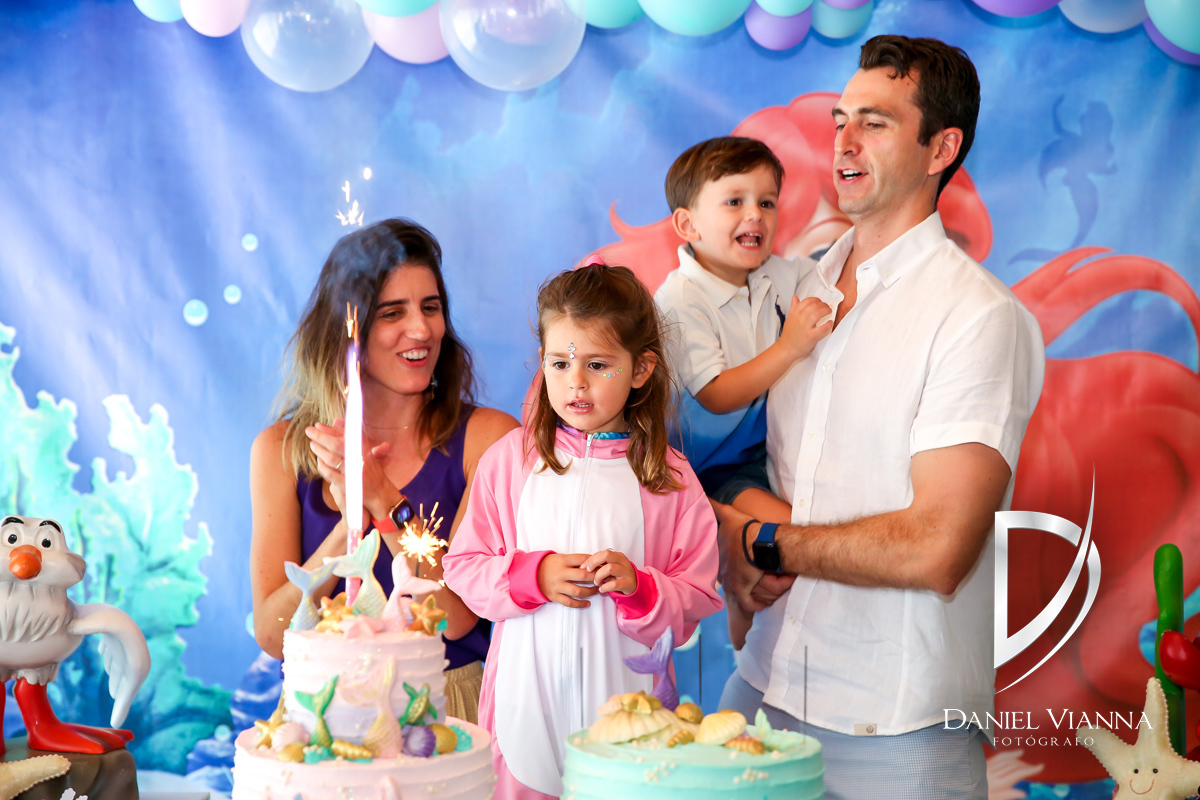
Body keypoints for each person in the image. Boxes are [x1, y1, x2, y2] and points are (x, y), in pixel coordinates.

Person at [714, 36, 1045, 799]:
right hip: (763, 685)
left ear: (942, 149)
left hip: (895, 727)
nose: (844, 142)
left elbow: (938, 546)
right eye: (840, 121)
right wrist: (726, 527)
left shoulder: (977, 316)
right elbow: (742, 450)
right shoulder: (796, 288)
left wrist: (759, 541)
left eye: (875, 122)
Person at [443, 262, 723, 800]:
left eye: (597, 364)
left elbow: (695, 597)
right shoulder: (511, 462)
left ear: (640, 369)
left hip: (628, 726)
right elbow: (464, 567)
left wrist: (642, 589)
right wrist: (533, 576)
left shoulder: (668, 479)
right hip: (523, 718)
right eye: (560, 362)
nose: (576, 381)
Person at [248, 219, 517, 724]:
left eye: (431, 308)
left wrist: (385, 501)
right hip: (320, 717)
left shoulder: (489, 438)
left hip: (444, 712)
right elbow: (273, 633)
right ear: (346, 328)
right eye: (393, 313)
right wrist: (348, 527)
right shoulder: (279, 451)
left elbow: (454, 616)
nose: (422, 330)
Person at [654, 136, 832, 648]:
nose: (755, 214)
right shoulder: (680, 299)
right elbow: (716, 393)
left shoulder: (778, 274)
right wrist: (790, 347)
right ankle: (741, 607)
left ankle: (748, 603)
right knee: (794, 533)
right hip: (698, 470)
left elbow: (836, 274)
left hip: (756, 453)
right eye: (735, 201)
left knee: (801, 531)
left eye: (767, 202)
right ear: (688, 225)